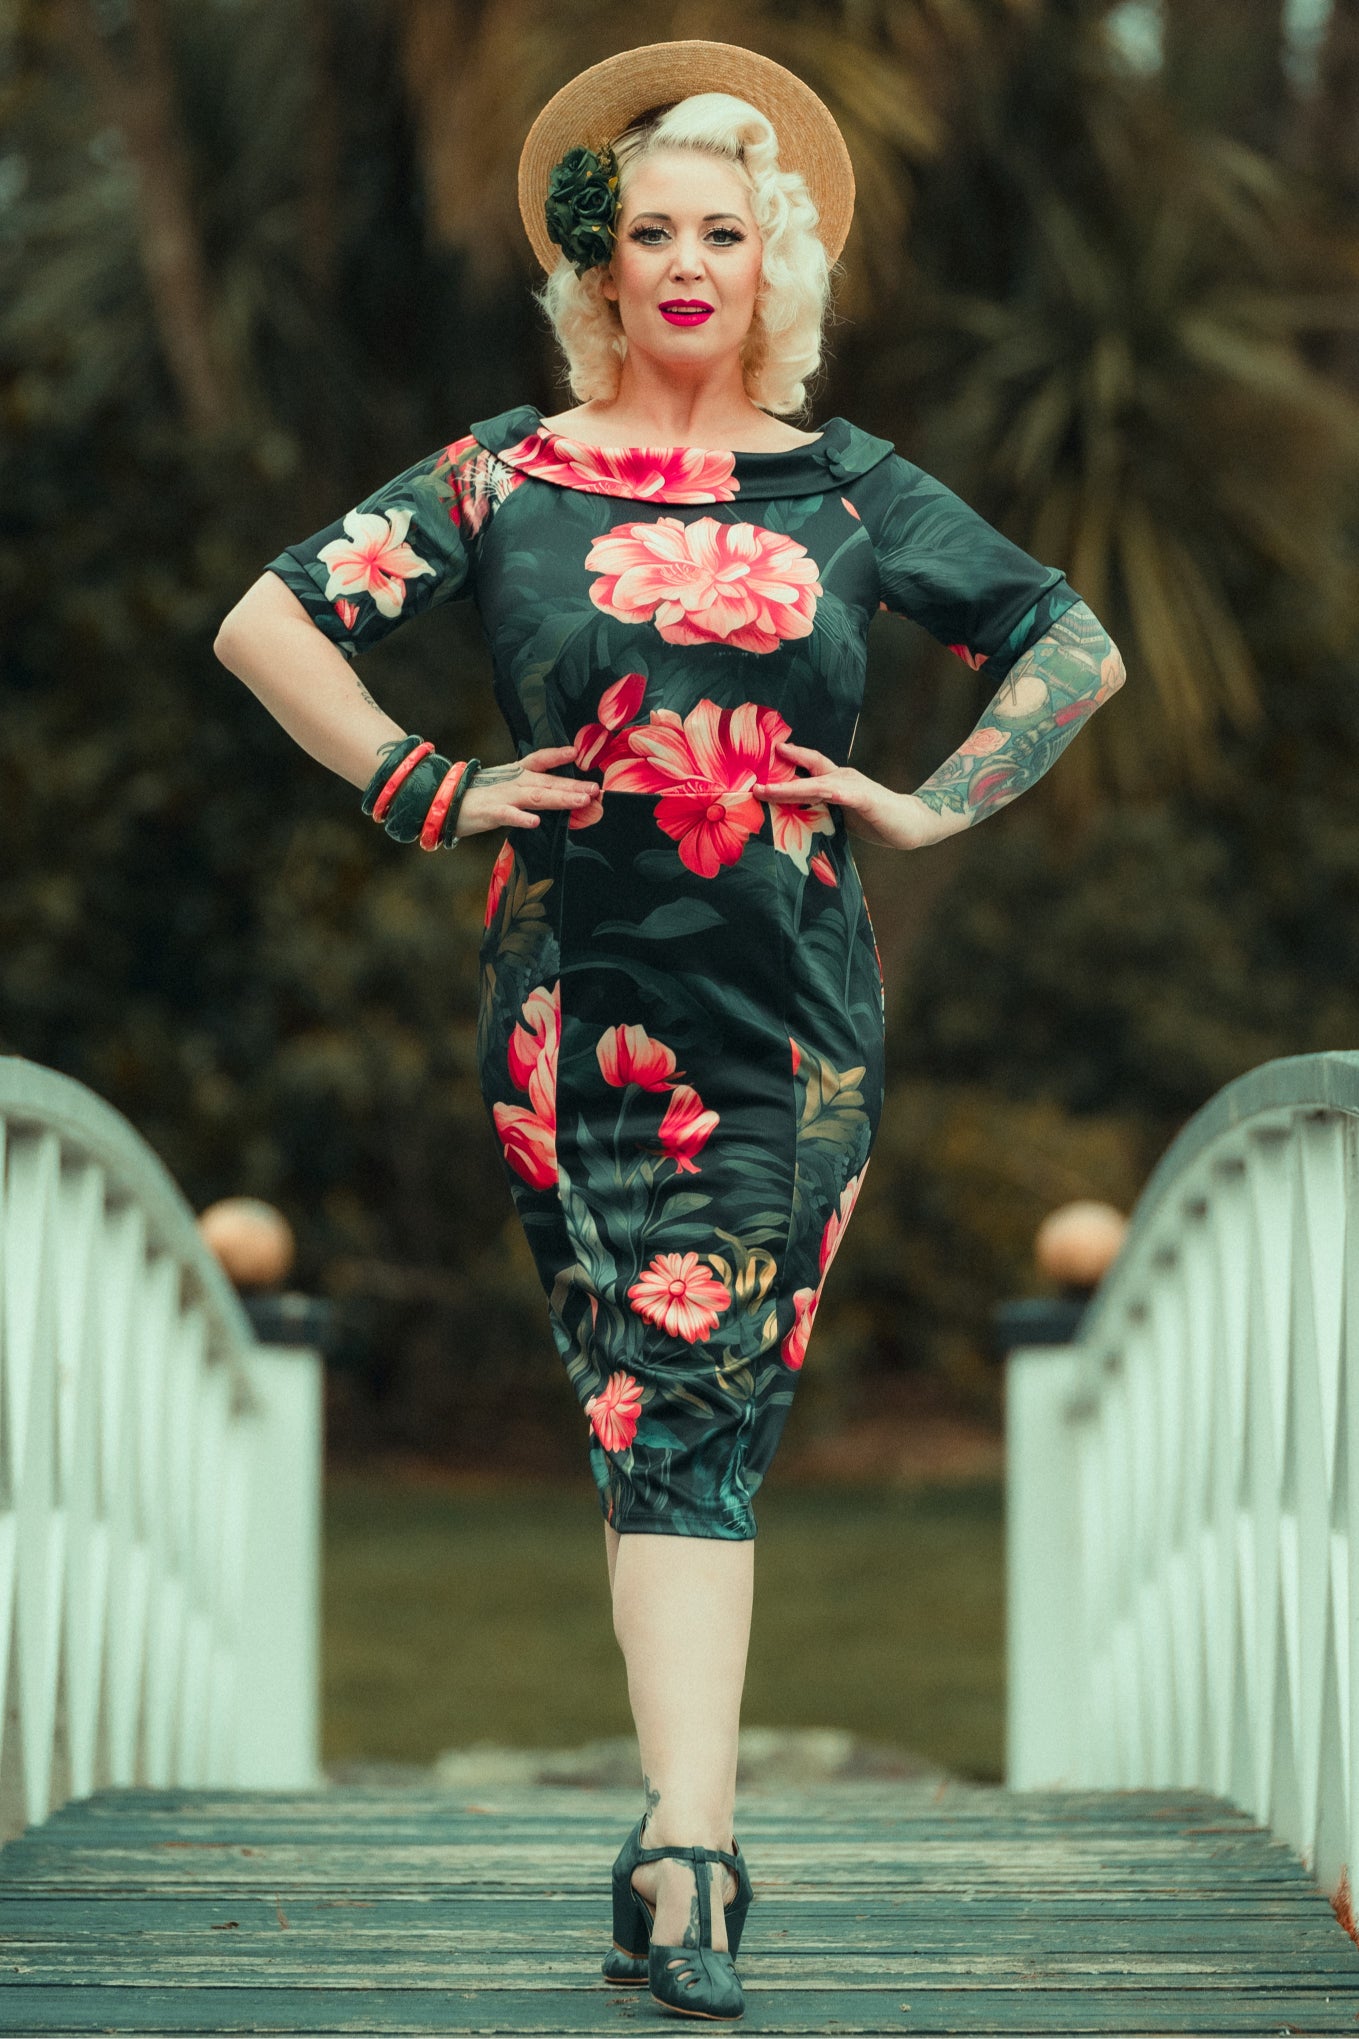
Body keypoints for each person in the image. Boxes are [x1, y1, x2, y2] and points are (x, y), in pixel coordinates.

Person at [213, 39, 1126, 2022]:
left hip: (792, 1022)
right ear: (598, 265)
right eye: (651, 231)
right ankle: (690, 1847)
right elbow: (271, 619)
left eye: (725, 228)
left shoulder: (845, 488)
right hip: (576, 1018)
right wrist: (432, 786)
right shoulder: (502, 477)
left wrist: (923, 800)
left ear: (769, 258)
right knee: (656, 1405)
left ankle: (680, 1849)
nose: (689, 262)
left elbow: (1069, 637)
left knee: (694, 1419)